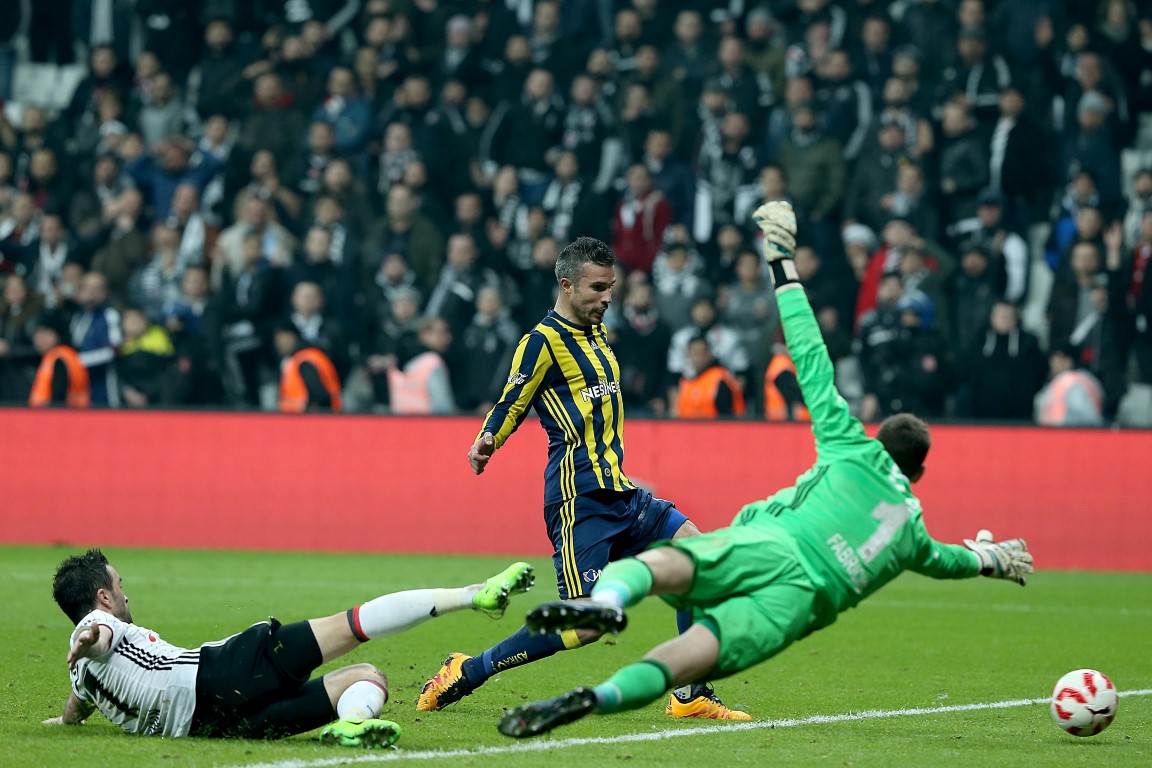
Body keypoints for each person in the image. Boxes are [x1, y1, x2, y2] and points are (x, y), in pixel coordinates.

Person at [497, 201, 1033, 739]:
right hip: (793, 601)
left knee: (673, 563)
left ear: (877, 439)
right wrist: (989, 558)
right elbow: (947, 562)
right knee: (688, 653)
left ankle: (612, 605)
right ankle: (601, 697)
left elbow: (810, 353)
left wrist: (782, 261)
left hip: (762, 542)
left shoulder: (848, 444)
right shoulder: (909, 531)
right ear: (917, 476)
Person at [417, 237, 747, 720]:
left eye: (611, 287)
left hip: (623, 494)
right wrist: (488, 438)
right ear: (567, 285)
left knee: (699, 561)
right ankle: (468, 670)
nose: (607, 297)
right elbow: (512, 400)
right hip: (580, 501)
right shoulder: (541, 343)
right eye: (597, 288)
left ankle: (690, 694)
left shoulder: (598, 333)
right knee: (586, 625)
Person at [45, 551, 533, 746]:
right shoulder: (96, 627)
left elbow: (77, 703)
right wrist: (92, 636)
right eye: (119, 586)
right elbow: (97, 634)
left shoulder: (83, 673)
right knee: (352, 624)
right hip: (219, 674)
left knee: (368, 677)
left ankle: (351, 723)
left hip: (215, 728)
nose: (126, 595)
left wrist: (64, 722)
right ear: (102, 597)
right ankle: (474, 595)